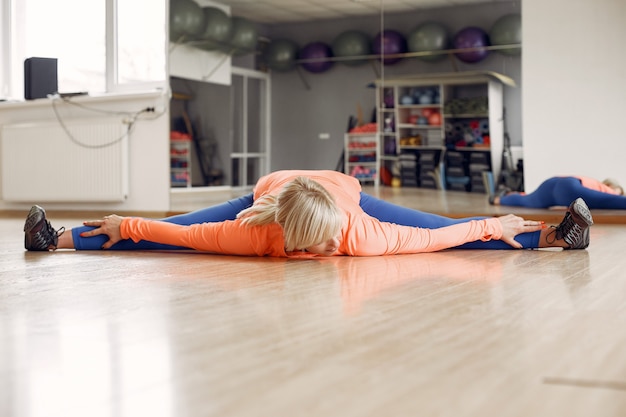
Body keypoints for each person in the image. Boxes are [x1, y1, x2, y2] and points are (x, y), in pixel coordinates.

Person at [24, 170, 594, 256]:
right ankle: (54, 239)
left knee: (449, 233)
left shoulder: (362, 232)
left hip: (344, 190)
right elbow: (184, 235)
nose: (316, 257)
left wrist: (497, 223)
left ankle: (559, 236)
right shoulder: (256, 229)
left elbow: (442, 238)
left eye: (326, 246)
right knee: (185, 227)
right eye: (307, 248)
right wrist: (128, 226)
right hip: (270, 190)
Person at [490, 175, 626, 209]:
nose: (615, 192)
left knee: (528, 200)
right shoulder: (607, 189)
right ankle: (501, 198)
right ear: (609, 185)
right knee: (609, 201)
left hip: (552, 183)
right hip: (568, 189)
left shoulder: (591, 182)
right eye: (617, 191)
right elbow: (610, 199)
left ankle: (499, 199)